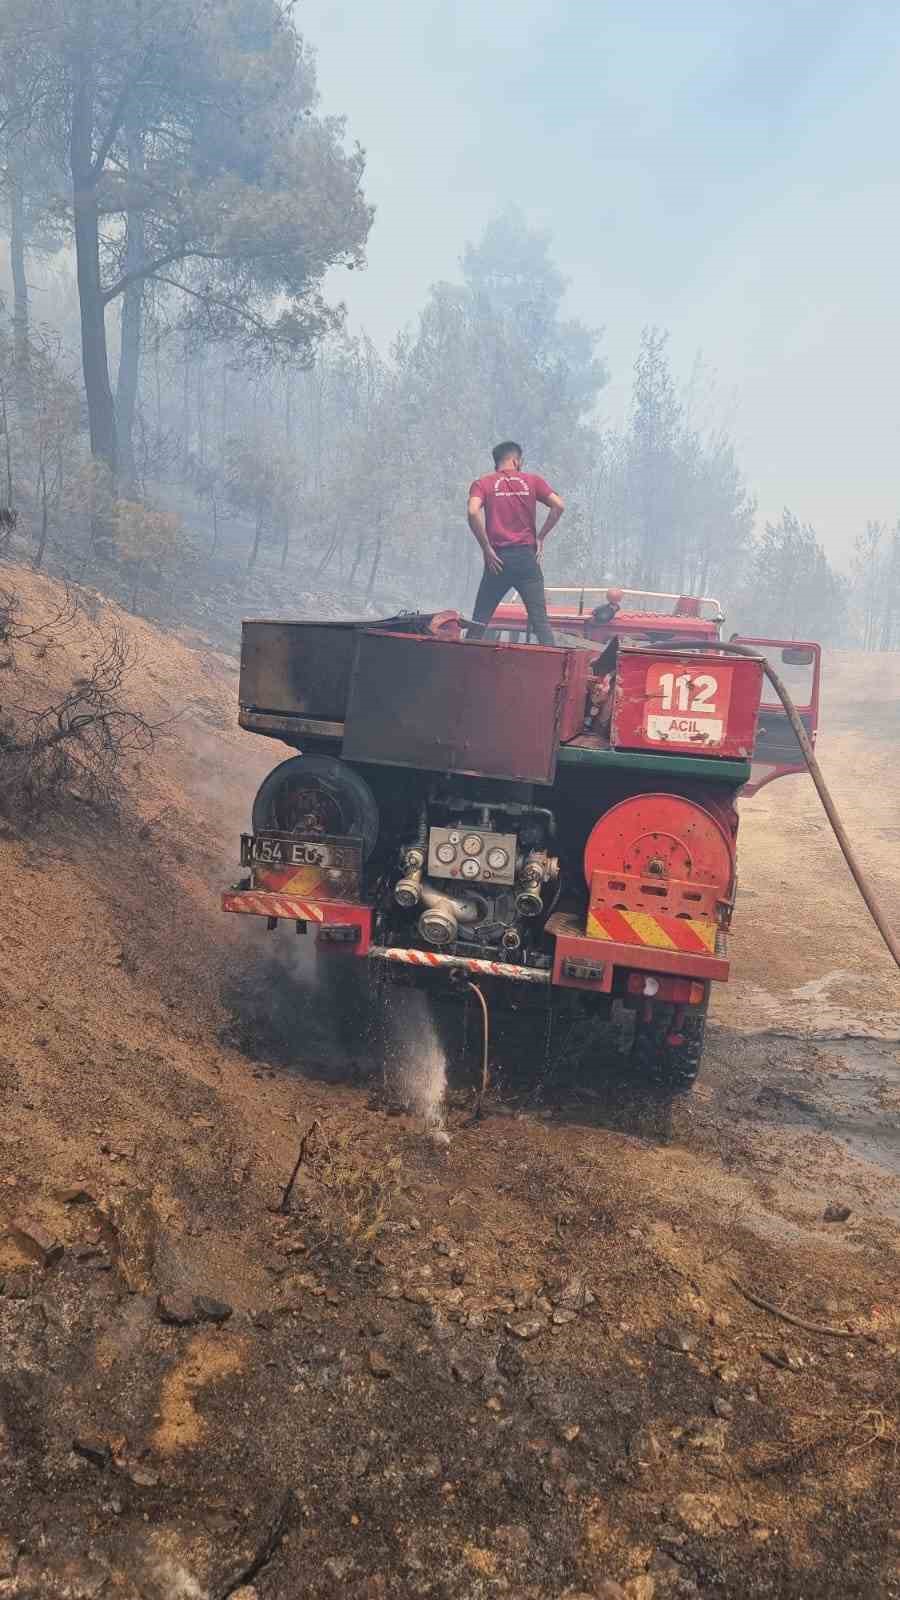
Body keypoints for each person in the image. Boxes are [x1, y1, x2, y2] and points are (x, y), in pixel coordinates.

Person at [465, 441, 565, 646]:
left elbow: (473, 511)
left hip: (497, 560)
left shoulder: (482, 483)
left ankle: (463, 660)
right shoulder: (533, 481)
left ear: (497, 462)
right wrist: (540, 537)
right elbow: (559, 506)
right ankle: (554, 662)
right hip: (526, 559)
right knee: (540, 621)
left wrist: (486, 547)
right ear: (516, 461)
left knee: (479, 620)